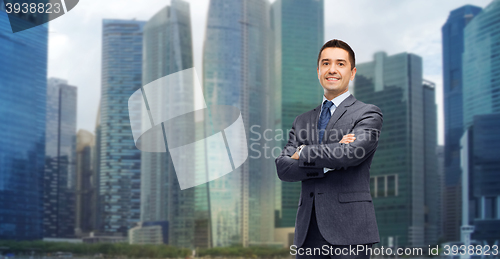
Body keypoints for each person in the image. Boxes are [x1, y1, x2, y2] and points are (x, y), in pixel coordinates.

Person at [275, 39, 383, 259]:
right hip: (308, 232)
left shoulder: (368, 113)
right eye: (326, 63)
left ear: (352, 73)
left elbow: (352, 154)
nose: (332, 69)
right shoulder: (301, 120)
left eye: (340, 64)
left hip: (351, 230)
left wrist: (303, 152)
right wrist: (328, 163)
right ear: (318, 71)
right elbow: (284, 168)